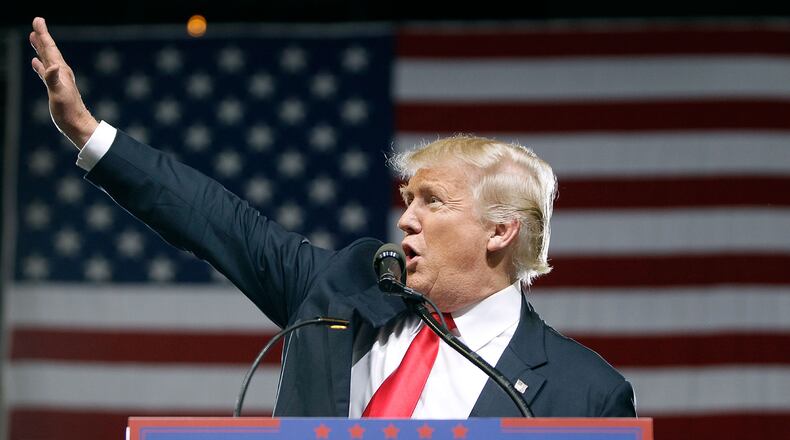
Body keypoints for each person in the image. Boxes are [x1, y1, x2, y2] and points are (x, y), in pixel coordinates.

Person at [30, 17, 636, 418]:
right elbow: (218, 221)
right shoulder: (342, 292)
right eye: (408, 200)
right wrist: (89, 132)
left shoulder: (587, 394)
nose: (406, 221)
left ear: (501, 230)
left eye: (433, 201)